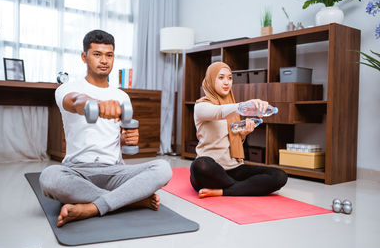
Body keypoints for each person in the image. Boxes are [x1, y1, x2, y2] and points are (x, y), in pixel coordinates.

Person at [39, 30, 172, 227]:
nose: (104, 60)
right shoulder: (67, 88)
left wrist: (127, 139)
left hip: (115, 172)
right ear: (84, 57)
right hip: (77, 171)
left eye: (109, 55)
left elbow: (118, 137)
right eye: (97, 54)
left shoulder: (122, 96)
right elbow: (76, 101)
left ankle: (92, 207)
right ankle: (129, 200)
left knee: (163, 168)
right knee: (49, 177)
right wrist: (97, 104)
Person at [190, 61, 287, 198]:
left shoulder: (232, 107)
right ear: (211, 80)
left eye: (230, 78)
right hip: (211, 169)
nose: (226, 82)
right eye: (221, 77)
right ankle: (244, 187)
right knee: (200, 165)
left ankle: (223, 191)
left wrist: (243, 134)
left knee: (279, 176)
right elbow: (219, 112)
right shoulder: (202, 107)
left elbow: (231, 140)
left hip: (234, 168)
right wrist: (246, 105)